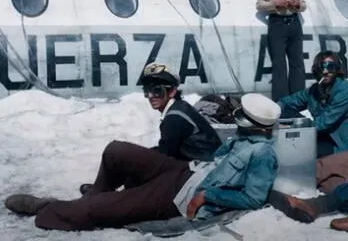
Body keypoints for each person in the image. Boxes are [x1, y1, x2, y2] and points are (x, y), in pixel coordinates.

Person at [4, 93, 281, 231]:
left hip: (180, 195)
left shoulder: (263, 154)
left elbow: (254, 198)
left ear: (252, 122)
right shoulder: (245, 139)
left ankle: (48, 208)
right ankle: (95, 201)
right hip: (184, 172)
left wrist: (207, 195)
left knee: (98, 208)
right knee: (116, 151)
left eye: (240, 114)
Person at [78, 63, 223, 195]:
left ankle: (105, 194)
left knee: (127, 157)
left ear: (172, 91)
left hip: (199, 173)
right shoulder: (179, 108)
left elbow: (164, 159)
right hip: (197, 165)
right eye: (147, 91)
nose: (151, 96)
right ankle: (103, 189)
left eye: (157, 91)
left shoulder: (174, 118)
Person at [278, 50, 348, 158]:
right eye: (321, 67)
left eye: (330, 67)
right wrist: (273, 110)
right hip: (323, 136)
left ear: (337, 69)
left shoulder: (344, 91)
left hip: (341, 146)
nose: (325, 71)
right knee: (284, 111)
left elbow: (322, 123)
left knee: (298, 149)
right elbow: (289, 101)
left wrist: (291, 127)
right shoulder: (316, 89)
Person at [256, 0, 307, 102]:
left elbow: (303, 5)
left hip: (294, 24)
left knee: (297, 62)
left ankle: (298, 99)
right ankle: (281, 101)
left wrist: (297, 5)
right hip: (277, 23)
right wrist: (274, 3)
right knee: (279, 64)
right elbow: (259, 4)